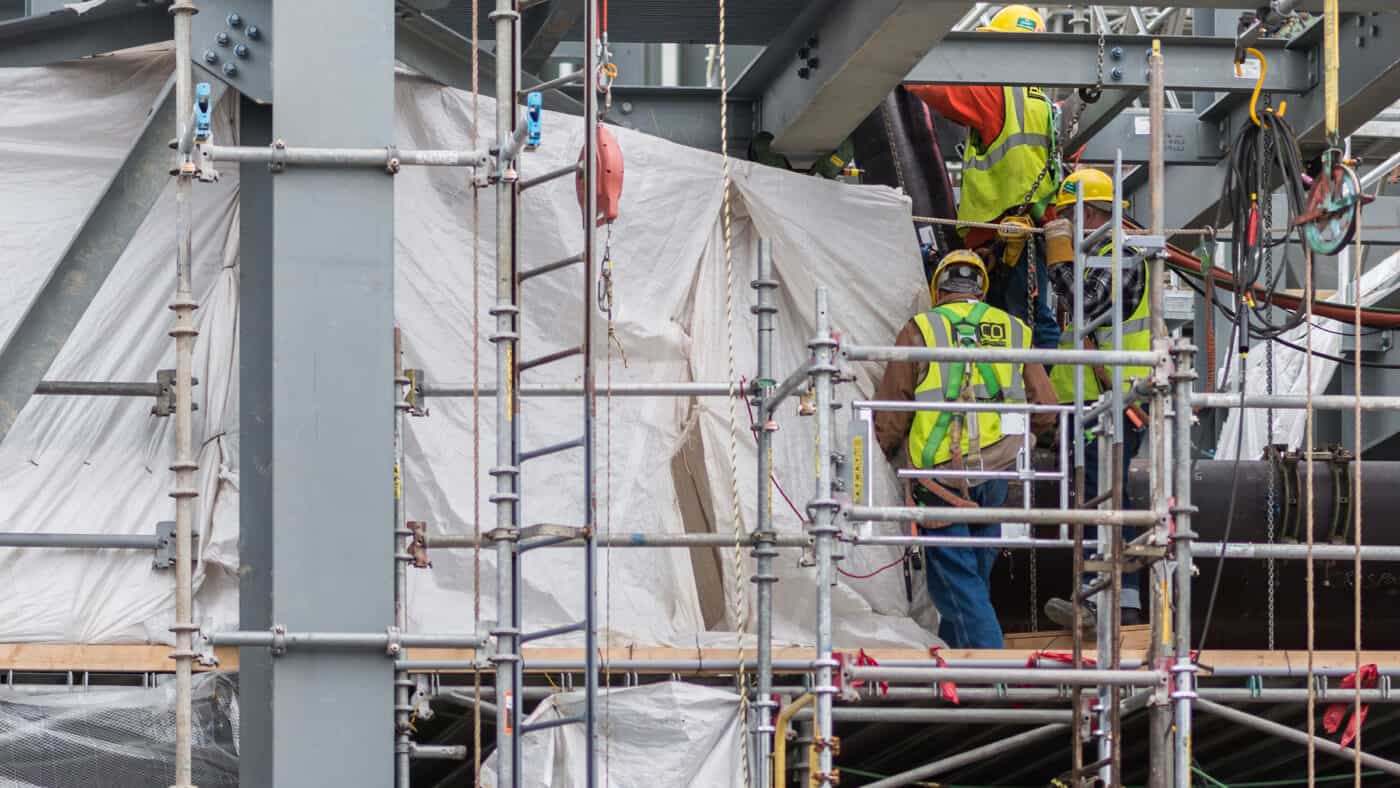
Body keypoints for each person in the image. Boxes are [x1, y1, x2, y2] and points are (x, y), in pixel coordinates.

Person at [874, 249, 1058, 649]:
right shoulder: (1012, 329)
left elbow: (893, 406)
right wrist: (1049, 439)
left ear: (939, 290)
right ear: (981, 288)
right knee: (973, 574)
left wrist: (884, 449)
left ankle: (993, 676)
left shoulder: (922, 328)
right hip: (999, 472)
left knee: (956, 585)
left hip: (940, 475)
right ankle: (958, 662)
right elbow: (1045, 405)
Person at [903, 4, 1061, 351]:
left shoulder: (999, 92)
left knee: (1022, 320)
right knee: (1020, 318)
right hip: (1023, 231)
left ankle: (1036, 393)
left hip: (1006, 231)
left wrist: (899, 62)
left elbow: (939, 89)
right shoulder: (1044, 102)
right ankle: (1029, 391)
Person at [1040, 168, 1151, 630]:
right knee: (1092, 498)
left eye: (1069, 215)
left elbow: (1087, 305)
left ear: (1091, 214)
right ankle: (1100, 600)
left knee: (1102, 496)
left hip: (1112, 402)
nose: (1064, 223)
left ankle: (1108, 606)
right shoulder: (1101, 258)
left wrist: (1058, 260)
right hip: (1088, 402)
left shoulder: (1121, 258)